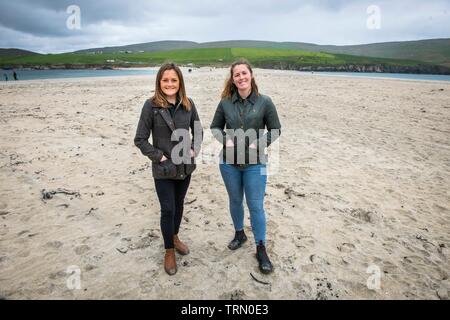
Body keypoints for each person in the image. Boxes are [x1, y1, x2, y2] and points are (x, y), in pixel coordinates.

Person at [210, 59, 281, 274]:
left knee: (256, 205)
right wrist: (225, 139)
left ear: (251, 75)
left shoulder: (265, 102)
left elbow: (276, 129)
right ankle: (239, 234)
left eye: (244, 73)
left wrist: (258, 143)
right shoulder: (224, 103)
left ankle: (261, 247)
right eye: (237, 75)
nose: (241, 77)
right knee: (235, 200)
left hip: (256, 163)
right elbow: (215, 127)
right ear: (232, 79)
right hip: (229, 163)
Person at [134, 63, 202, 275]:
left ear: (180, 81)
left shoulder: (188, 104)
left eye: (174, 80)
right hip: (163, 169)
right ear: (159, 82)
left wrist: (193, 149)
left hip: (185, 167)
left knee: (179, 205)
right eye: (165, 80)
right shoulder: (151, 106)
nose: (170, 84)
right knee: (168, 209)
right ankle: (169, 250)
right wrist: (159, 156)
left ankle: (174, 236)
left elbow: (198, 131)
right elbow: (140, 139)